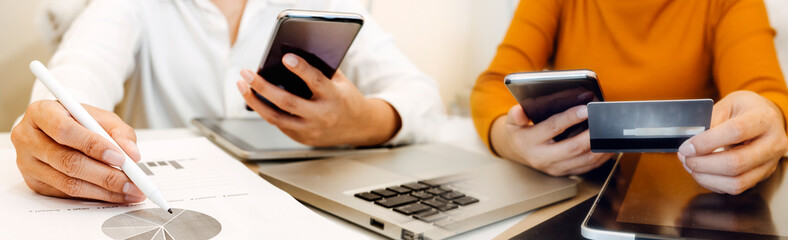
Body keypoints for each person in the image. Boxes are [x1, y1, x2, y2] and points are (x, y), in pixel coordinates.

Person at [11, 0, 443, 203]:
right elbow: (76, 75)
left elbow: (423, 97)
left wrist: (365, 121)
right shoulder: (129, 6)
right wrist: (55, 132)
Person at [471, 0, 788, 195]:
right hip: (577, 191)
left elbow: (767, 96)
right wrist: (511, 141)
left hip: (692, 197)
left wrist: (769, 118)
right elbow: (493, 86)